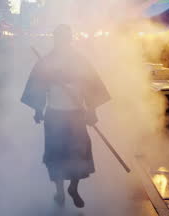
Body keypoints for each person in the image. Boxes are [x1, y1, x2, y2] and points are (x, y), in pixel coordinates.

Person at [21, 24, 111, 208]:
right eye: (59, 38)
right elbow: (36, 87)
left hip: (76, 114)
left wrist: (92, 109)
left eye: (65, 38)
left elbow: (92, 85)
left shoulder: (80, 61)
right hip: (54, 115)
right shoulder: (46, 62)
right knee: (56, 154)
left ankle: (73, 188)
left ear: (70, 40)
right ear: (56, 40)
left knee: (79, 153)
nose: (62, 42)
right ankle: (60, 191)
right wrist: (38, 109)